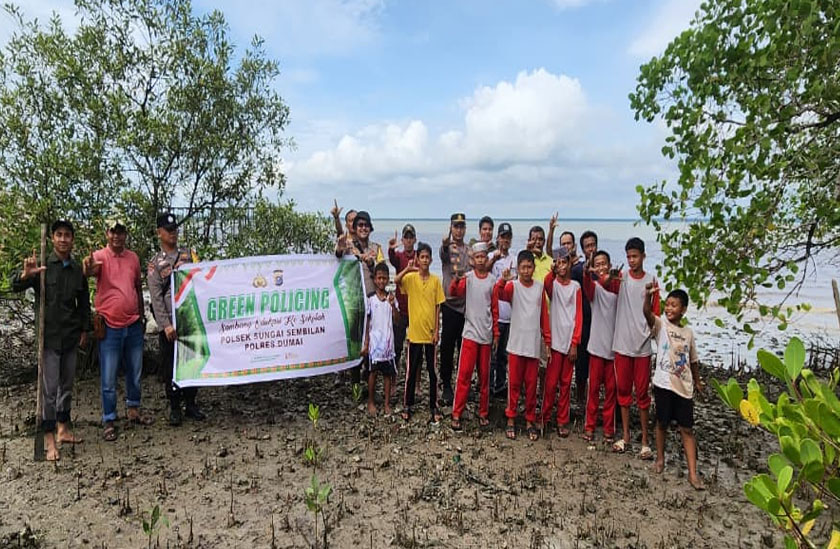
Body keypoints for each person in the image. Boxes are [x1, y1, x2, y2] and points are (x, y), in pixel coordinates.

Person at [12, 220, 89, 461]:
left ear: (72, 240)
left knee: (66, 385)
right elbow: (16, 285)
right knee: (49, 390)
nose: (63, 239)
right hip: (49, 338)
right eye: (59, 235)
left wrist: (85, 330)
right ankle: (48, 438)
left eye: (67, 235)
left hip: (70, 336)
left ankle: (63, 428)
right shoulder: (43, 267)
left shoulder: (77, 270)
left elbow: (84, 304)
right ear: (52, 239)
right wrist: (25, 275)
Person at [83, 219, 151, 441]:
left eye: (121, 232)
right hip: (109, 325)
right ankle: (109, 418)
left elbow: (137, 288)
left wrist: (141, 317)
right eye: (113, 232)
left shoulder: (133, 258)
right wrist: (86, 267)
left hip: (132, 324)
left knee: (135, 371)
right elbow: (88, 273)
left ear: (125, 234)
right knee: (109, 376)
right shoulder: (99, 256)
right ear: (107, 234)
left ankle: (133, 409)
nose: (117, 236)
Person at [147, 212, 206, 426]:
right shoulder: (155, 264)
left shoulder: (189, 255)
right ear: (159, 233)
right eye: (168, 230)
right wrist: (166, 325)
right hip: (171, 324)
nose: (172, 233)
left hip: (189, 319)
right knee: (171, 365)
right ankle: (174, 406)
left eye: (175, 230)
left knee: (192, 361)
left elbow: (203, 280)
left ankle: (191, 403)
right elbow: (155, 298)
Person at [644, 284, 704, 490]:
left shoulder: (688, 333)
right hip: (663, 384)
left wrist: (697, 381)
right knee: (662, 423)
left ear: (683, 309)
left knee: (687, 429)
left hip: (684, 387)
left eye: (674, 305)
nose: (669, 309)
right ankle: (660, 459)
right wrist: (647, 297)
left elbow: (693, 360)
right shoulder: (661, 326)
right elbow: (647, 314)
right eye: (667, 305)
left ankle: (693, 474)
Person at [493, 250, 551, 441]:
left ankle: (529, 419)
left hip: (533, 344)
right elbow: (499, 294)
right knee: (514, 384)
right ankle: (510, 418)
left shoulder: (540, 287)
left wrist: (547, 340)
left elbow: (544, 316)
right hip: (516, 343)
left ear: (534, 268)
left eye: (529, 267)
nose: (526, 271)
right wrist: (503, 280)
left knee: (531, 385)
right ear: (518, 268)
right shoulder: (513, 286)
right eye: (523, 267)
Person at [611, 237, 660, 457]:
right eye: (629, 256)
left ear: (643, 256)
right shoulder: (621, 278)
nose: (631, 260)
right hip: (622, 343)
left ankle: (645, 439)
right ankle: (626, 436)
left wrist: (648, 297)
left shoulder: (651, 281)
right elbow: (605, 285)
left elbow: (654, 316)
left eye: (635, 256)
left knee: (642, 393)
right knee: (623, 391)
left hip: (642, 346)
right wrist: (608, 277)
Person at [396, 243, 446, 423]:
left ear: (431, 260)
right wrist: (407, 269)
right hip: (414, 334)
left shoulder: (435, 281)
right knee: (411, 371)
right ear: (417, 259)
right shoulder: (410, 278)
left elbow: (438, 306)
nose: (424, 260)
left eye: (427, 257)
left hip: (430, 334)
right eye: (422, 257)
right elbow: (396, 281)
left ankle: (434, 406)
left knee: (432, 372)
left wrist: (437, 331)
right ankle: (407, 405)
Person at [449, 242, 496, 431]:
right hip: (469, 334)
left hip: (486, 334)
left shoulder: (492, 280)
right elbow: (455, 293)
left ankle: (483, 412)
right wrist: (457, 280)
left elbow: (494, 308)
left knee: (484, 377)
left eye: (483, 256)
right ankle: (457, 413)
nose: (481, 260)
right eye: (477, 257)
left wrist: (496, 333)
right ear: (473, 260)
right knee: (464, 375)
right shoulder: (467, 278)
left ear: (487, 258)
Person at [540, 247, 582, 437]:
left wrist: (575, 342)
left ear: (570, 263)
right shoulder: (553, 284)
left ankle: (562, 420)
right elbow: (547, 284)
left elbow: (578, 316)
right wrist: (552, 270)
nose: (561, 266)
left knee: (566, 384)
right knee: (550, 384)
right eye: (558, 263)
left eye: (564, 262)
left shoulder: (576, 287)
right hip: (555, 341)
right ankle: (545, 417)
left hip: (569, 341)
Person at [581, 250, 620, 443]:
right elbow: (587, 280)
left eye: (604, 263)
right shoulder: (594, 288)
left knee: (611, 392)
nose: (601, 267)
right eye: (598, 264)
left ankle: (608, 429)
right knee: (594, 390)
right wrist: (589, 272)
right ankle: (589, 426)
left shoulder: (618, 286)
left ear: (610, 264)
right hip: (596, 347)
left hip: (613, 349)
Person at [438, 213, 469, 406]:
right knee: (447, 347)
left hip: (466, 305)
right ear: (451, 228)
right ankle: (446, 384)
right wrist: (444, 243)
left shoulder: (469, 249)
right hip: (449, 304)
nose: (458, 230)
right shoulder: (447, 249)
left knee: (463, 347)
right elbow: (442, 254)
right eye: (455, 226)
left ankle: (462, 383)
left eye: (461, 226)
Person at [362, 262, 400, 416]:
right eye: (379, 278)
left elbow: (397, 320)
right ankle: (371, 401)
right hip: (374, 344)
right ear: (375, 279)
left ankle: (386, 404)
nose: (382, 281)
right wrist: (366, 343)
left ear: (388, 280)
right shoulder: (371, 300)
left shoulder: (391, 299)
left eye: (385, 278)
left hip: (388, 345)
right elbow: (367, 322)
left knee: (387, 375)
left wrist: (393, 306)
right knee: (373, 373)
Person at [570, 230, 598, 413]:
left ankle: (594, 398)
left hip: (601, 322)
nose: (591, 249)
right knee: (581, 363)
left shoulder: (603, 267)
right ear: (582, 249)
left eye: (593, 245)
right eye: (587, 246)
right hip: (585, 322)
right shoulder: (578, 270)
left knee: (599, 363)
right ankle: (581, 399)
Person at [490, 223, 515, 396]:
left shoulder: (514, 259)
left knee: (503, 355)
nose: (505, 240)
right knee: (492, 353)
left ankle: (500, 385)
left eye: (508, 237)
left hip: (510, 314)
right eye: (502, 236)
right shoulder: (491, 256)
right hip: (495, 314)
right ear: (497, 238)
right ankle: (488, 385)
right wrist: (494, 259)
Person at [388, 223, 416, 368]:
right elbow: (392, 259)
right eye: (406, 237)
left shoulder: (419, 256)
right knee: (397, 346)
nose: (409, 240)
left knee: (416, 348)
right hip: (401, 309)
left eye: (411, 237)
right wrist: (391, 249)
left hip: (416, 309)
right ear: (403, 240)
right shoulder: (399, 256)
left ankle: (415, 382)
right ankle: (394, 378)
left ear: (415, 240)